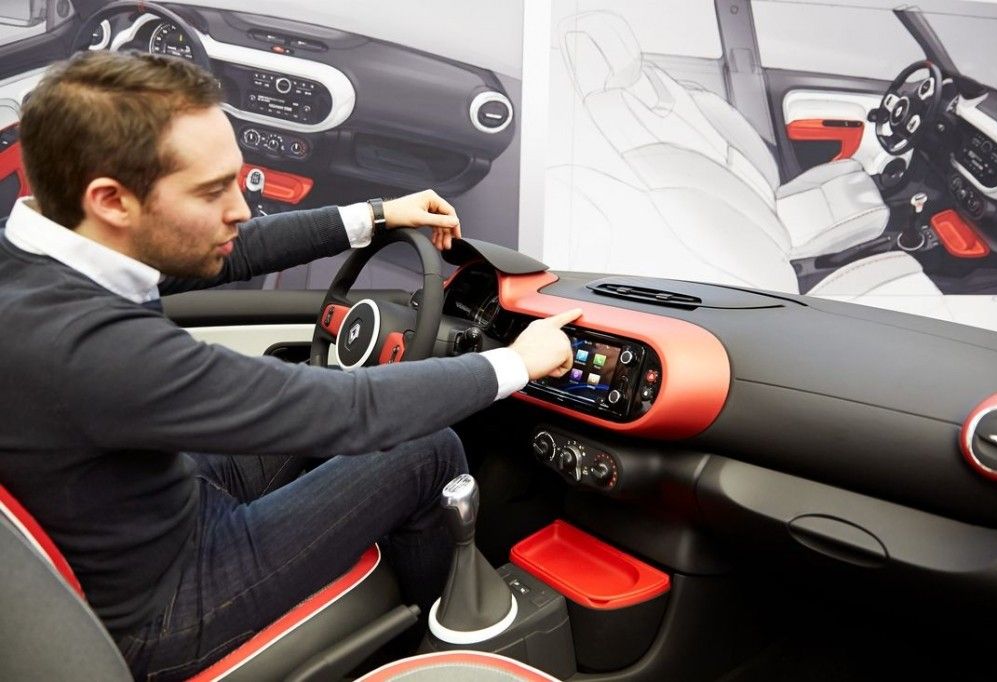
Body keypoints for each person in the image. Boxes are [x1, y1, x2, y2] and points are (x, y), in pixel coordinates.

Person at [0, 50, 578, 680]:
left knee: (331, 380)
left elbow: (227, 251)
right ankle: (441, 657)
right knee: (429, 451)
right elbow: (347, 410)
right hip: (168, 607)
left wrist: (376, 216)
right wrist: (515, 361)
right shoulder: (87, 345)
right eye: (212, 191)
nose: (241, 209)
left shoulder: (43, 256)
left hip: (149, 512)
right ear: (112, 200)